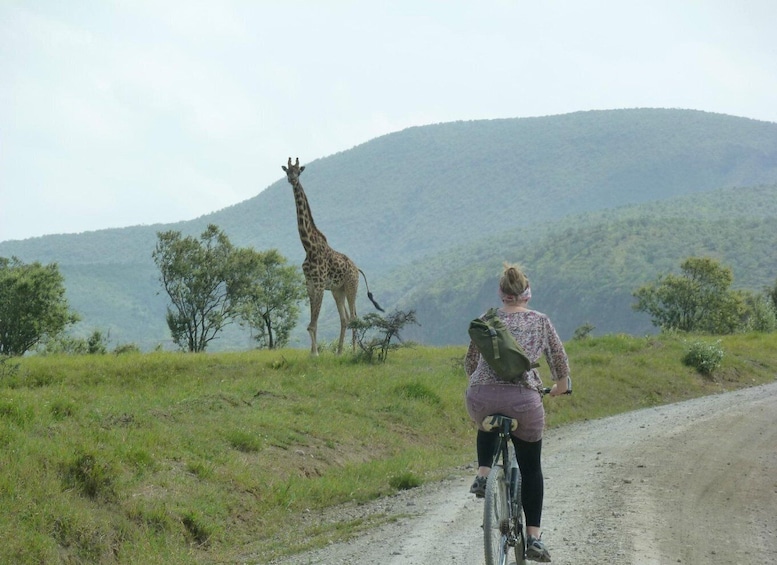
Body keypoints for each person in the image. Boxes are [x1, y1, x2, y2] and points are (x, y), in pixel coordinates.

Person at [464, 262, 570, 563]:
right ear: (527, 293)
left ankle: (483, 473)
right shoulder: (540, 321)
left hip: (480, 397)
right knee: (531, 467)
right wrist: (561, 386)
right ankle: (534, 538)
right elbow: (559, 362)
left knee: (485, 424)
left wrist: (482, 386)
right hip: (523, 401)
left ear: (501, 294)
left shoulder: (487, 319)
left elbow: (470, 363)